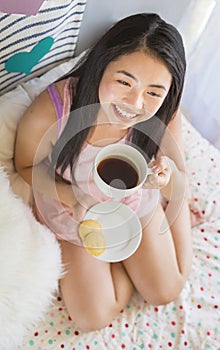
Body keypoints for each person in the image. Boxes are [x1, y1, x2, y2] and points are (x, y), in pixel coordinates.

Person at [15, 13, 193, 332]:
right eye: (124, 82)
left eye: (154, 91)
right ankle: (122, 263)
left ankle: (175, 219)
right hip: (76, 211)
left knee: (166, 290)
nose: (135, 103)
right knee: (92, 318)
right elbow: (25, 165)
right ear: (101, 65)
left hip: (135, 203)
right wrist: (73, 195)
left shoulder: (164, 112)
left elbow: (175, 171)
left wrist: (167, 179)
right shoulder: (57, 109)